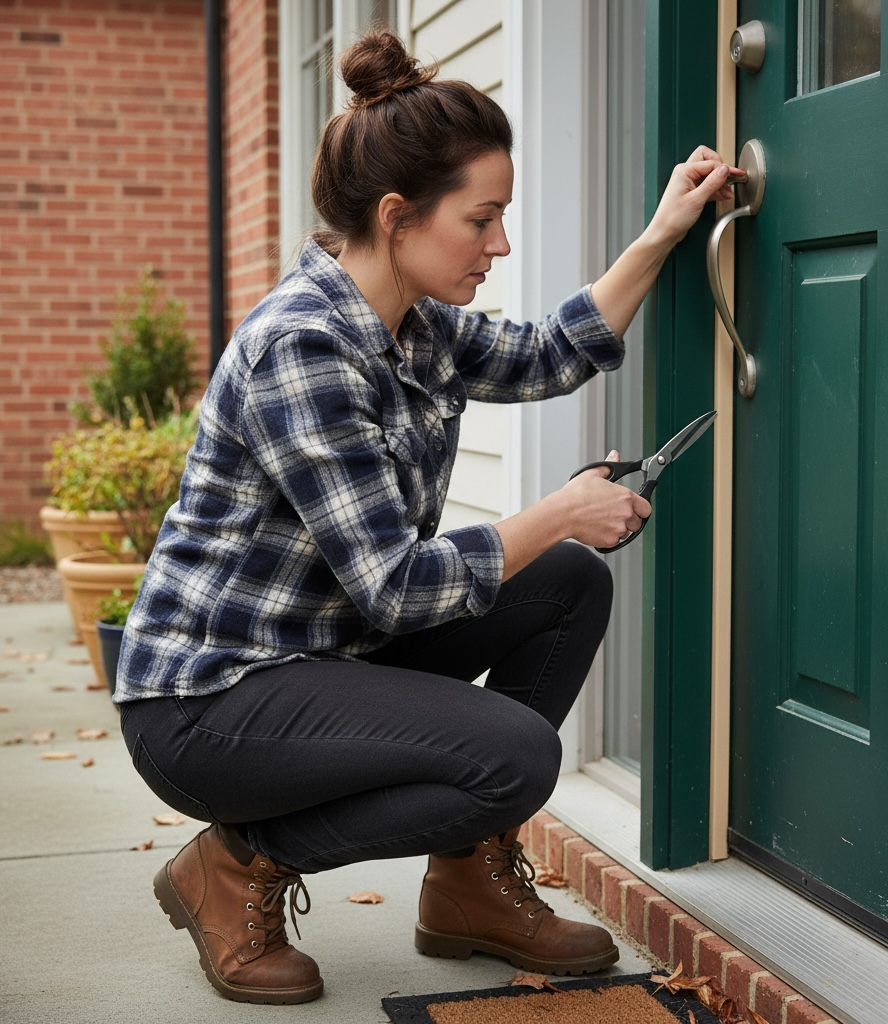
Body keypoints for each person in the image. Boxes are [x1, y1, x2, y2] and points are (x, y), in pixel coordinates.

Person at [115, 30, 738, 1006]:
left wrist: (664, 231)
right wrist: (561, 507)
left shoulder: (414, 319)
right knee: (518, 754)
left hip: (322, 654)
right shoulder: (304, 346)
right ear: (398, 215)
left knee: (565, 580)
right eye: (481, 219)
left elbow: (548, 350)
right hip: (209, 701)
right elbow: (397, 589)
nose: (500, 245)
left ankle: (465, 883)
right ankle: (237, 858)